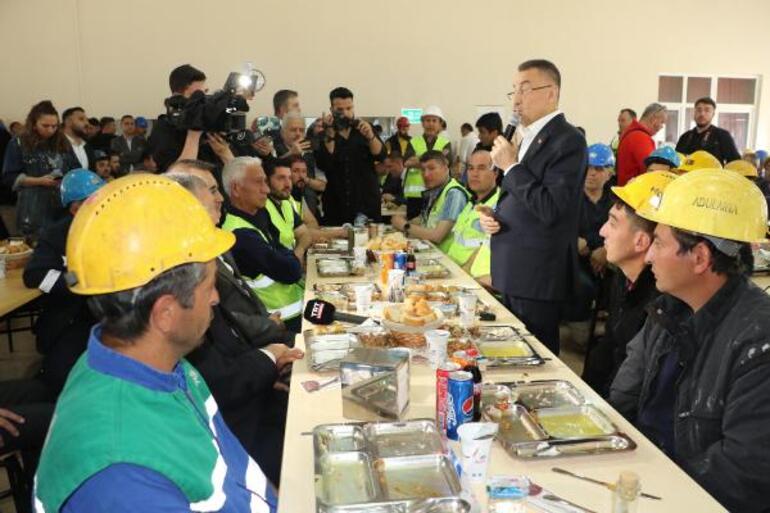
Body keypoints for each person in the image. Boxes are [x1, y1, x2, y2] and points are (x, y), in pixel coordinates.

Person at [33, 174, 277, 512]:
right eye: (209, 287)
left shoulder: (161, 364)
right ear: (165, 312)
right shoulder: (122, 476)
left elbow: (236, 475)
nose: (217, 299)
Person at [609, 169, 770, 512]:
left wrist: (652, 493)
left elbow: (742, 473)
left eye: (660, 243)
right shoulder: (668, 312)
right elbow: (622, 400)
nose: (649, 256)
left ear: (700, 258)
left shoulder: (759, 340)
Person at [165, 171, 301, 484]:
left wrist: (270, 366)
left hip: (252, 381)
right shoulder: (181, 281)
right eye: (211, 191)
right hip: (238, 430)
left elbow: (229, 341)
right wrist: (267, 360)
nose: (220, 198)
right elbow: (218, 379)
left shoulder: (211, 253)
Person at [479, 59, 587, 356]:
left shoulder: (568, 141)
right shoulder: (523, 137)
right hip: (513, 267)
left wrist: (511, 166)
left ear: (551, 93)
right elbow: (522, 198)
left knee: (535, 356)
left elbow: (551, 207)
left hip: (538, 273)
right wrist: (496, 217)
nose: (516, 99)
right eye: (513, 90)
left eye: (525, 89)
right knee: (512, 352)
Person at [165, 159, 294, 348]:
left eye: (216, 189)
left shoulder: (220, 238)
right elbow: (220, 320)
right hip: (247, 348)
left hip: (267, 333)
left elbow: (244, 290)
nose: (220, 198)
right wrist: (269, 331)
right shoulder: (182, 257)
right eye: (210, 191)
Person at [582, 171, 677, 395]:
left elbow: (638, 386)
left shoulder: (663, 302)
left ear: (641, 241)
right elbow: (608, 348)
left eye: (613, 224)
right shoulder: (624, 279)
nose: (602, 231)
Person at [23, 168, 105, 394]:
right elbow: (34, 275)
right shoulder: (56, 235)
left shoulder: (111, 229)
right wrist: (77, 279)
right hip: (71, 320)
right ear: (76, 207)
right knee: (62, 381)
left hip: (110, 317)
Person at [221, 157, 305, 333]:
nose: (266, 190)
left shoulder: (258, 217)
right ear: (236, 189)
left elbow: (283, 250)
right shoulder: (240, 234)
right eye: (259, 183)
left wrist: (287, 254)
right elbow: (290, 271)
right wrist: (290, 256)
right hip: (281, 322)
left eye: (266, 182)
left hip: (295, 309)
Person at [2, 100, 78, 237]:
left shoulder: (62, 141)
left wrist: (69, 185)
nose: (50, 130)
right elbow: (9, 176)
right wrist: (38, 181)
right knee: (37, 249)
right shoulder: (18, 143)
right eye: (45, 126)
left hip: (62, 206)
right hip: (32, 208)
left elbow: (75, 169)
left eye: (54, 126)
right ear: (33, 124)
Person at [314, 87, 385, 225]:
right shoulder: (324, 133)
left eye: (349, 108)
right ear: (331, 109)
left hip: (366, 203)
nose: (345, 113)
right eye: (340, 110)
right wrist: (330, 134)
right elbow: (325, 163)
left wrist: (370, 136)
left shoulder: (364, 128)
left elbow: (380, 155)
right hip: (337, 204)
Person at [568, 143, 614, 333]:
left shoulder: (615, 200)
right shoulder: (569, 198)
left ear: (609, 173)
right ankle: (578, 323)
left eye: (598, 168)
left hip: (607, 257)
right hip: (575, 261)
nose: (591, 173)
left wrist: (600, 248)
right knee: (583, 285)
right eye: (587, 167)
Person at [391, 150, 469, 252]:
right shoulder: (434, 191)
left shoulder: (454, 193)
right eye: (423, 170)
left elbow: (437, 236)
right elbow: (425, 221)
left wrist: (404, 225)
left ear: (445, 168)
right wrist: (402, 222)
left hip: (448, 258)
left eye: (432, 168)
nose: (426, 174)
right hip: (431, 252)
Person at [148, 64, 222, 171]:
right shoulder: (163, 128)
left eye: (205, 94)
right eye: (198, 96)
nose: (204, 100)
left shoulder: (206, 126)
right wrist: (194, 134)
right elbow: (176, 175)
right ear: (178, 98)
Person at [445, 149, 499, 287]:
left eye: (481, 168)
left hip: (478, 284)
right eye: (470, 168)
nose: (474, 174)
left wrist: (463, 276)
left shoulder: (499, 205)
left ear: (495, 173)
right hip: (454, 273)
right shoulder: (471, 202)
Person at [401, 106, 451, 220]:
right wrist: (436, 158)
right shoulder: (413, 141)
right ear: (422, 123)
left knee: (434, 226)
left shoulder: (445, 142)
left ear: (440, 124)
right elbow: (407, 162)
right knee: (413, 229)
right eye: (427, 120)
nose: (431, 124)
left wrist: (418, 158)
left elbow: (447, 162)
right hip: (415, 196)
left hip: (438, 194)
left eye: (434, 121)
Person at [262, 157, 313, 255]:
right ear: (266, 181)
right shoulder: (262, 207)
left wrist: (299, 251)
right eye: (281, 178)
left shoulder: (286, 203)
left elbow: (304, 234)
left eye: (289, 178)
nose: (288, 184)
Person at [675, 97, 741, 164]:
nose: (702, 114)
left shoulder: (723, 135)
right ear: (694, 113)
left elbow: (735, 163)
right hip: (687, 174)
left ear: (713, 114)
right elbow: (676, 160)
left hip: (713, 174)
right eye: (699, 110)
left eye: (707, 110)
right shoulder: (685, 137)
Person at [616, 102, 667, 186]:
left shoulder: (631, 133)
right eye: (662, 122)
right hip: (634, 194)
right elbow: (651, 171)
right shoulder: (641, 138)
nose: (661, 127)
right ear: (654, 119)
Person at [287, 154, 321, 227]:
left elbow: (313, 223)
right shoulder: (284, 197)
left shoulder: (299, 195)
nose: (301, 176)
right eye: (296, 171)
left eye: (304, 171)